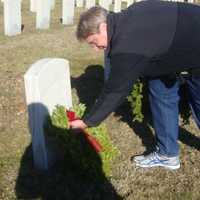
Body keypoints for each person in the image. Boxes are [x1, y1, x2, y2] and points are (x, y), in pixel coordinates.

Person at [70, 0, 200, 170]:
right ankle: (168, 154)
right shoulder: (127, 17)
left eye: (93, 42)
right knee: (159, 87)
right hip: (172, 51)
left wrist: (87, 121)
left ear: (102, 27)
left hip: (194, 47)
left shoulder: (127, 43)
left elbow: (115, 90)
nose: (95, 49)